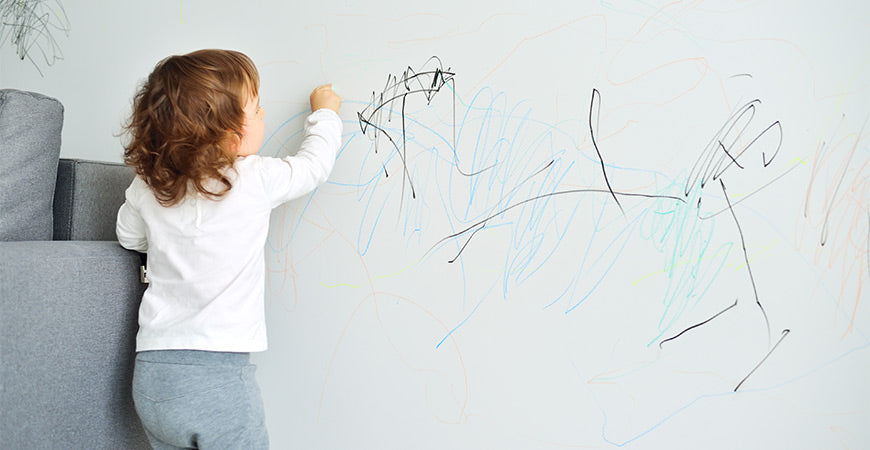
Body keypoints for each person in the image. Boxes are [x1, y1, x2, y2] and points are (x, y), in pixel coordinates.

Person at [115, 49, 342, 449]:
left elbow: (128, 237)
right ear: (229, 132)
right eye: (256, 109)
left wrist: (166, 238)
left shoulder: (150, 185)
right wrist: (325, 114)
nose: (264, 114)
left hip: (152, 373)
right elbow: (312, 167)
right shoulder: (253, 179)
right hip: (216, 378)